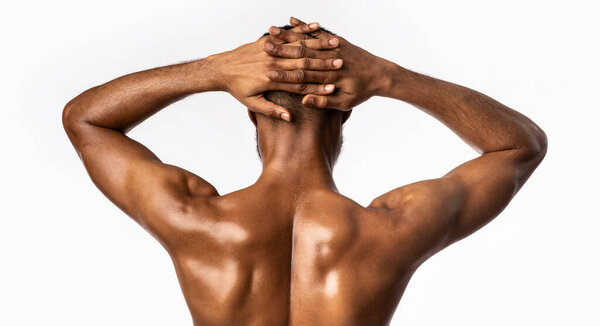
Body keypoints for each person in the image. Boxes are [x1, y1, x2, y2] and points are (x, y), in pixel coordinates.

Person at [62, 17, 547, 326]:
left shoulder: (194, 220)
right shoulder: (393, 229)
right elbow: (518, 146)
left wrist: (212, 70)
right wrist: (388, 77)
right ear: (347, 113)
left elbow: (86, 119)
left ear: (252, 112)